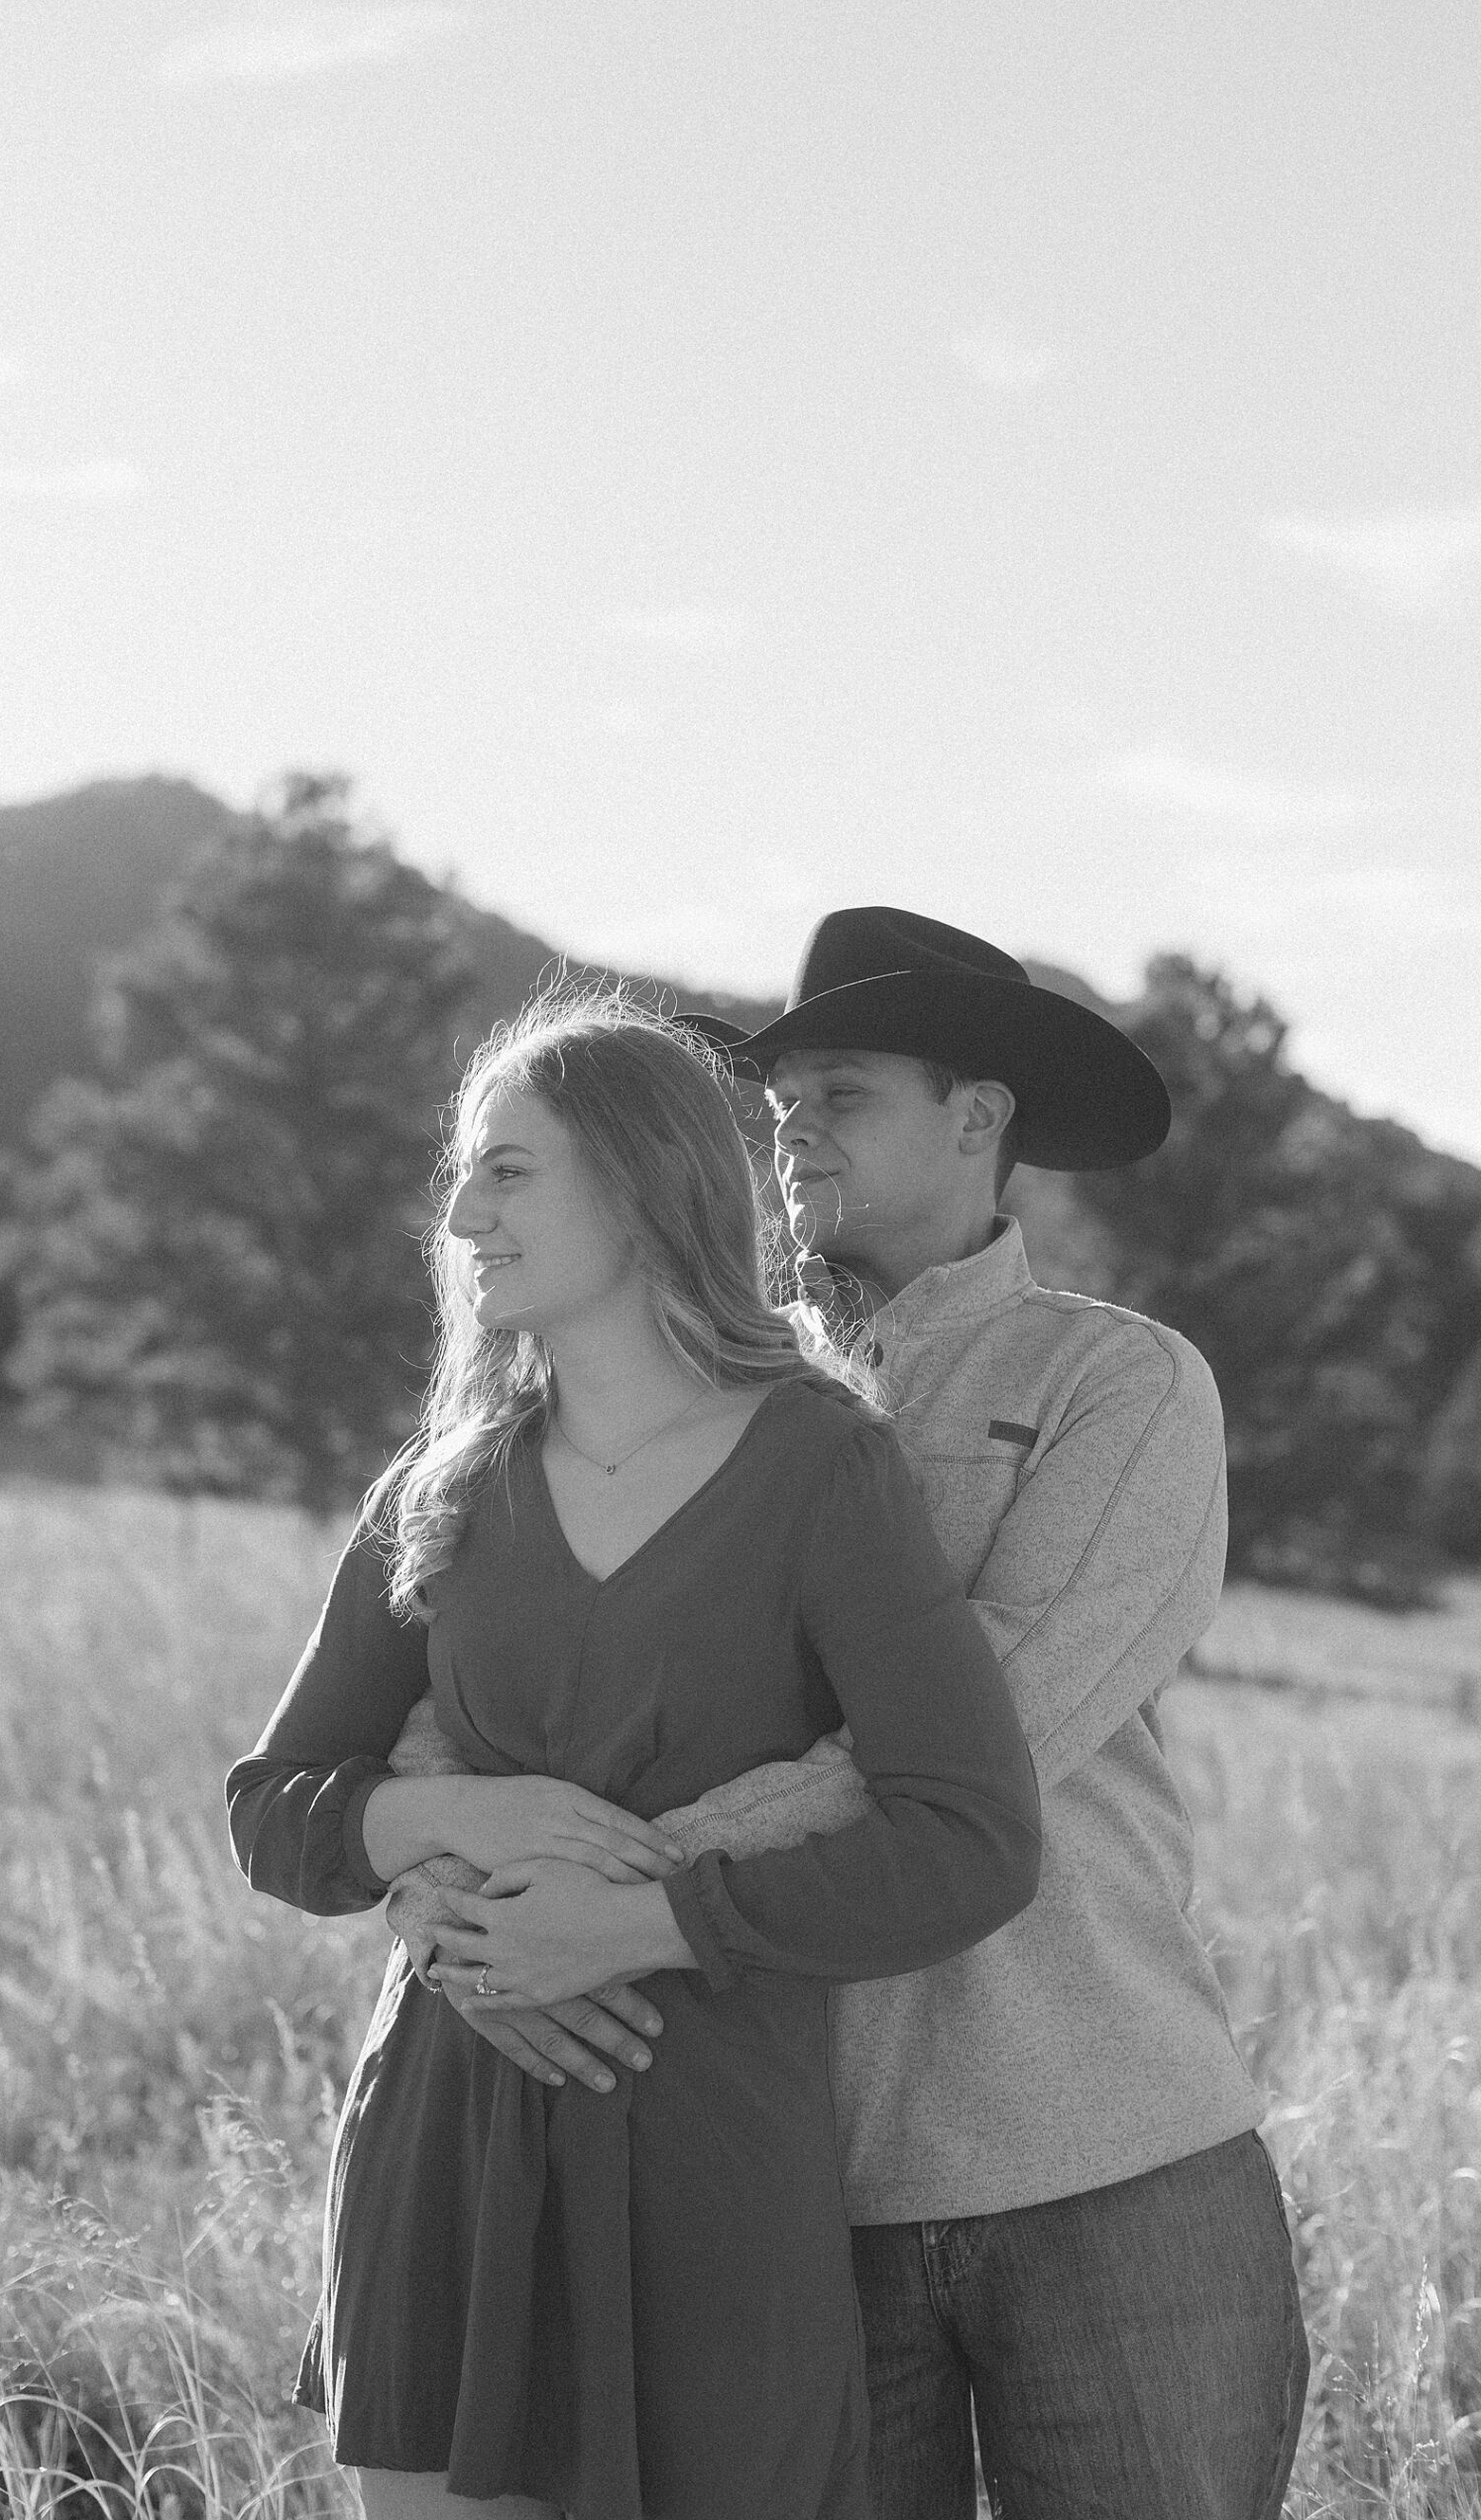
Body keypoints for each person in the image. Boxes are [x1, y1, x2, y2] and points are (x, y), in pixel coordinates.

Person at [390, 911, 1311, 2520]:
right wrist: (442, 1879)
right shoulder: (664, 1383)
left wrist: (613, 1891)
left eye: (845, 1093)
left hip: (1103, 2159)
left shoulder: (1118, 1384)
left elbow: (985, 1731)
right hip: (780, 2182)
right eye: (777, 1101)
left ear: (980, 1115)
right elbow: (470, 1671)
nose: (790, 1130)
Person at [226, 988, 1043, 2520]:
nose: (460, 1216)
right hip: (446, 2142)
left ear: (641, 1177)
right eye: (462, 1175)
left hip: (704, 2168)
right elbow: (272, 1812)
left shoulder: (824, 1467)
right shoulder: (445, 1487)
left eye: (508, 1170)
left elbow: (971, 1838)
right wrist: (461, 1823)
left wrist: (654, 1920)